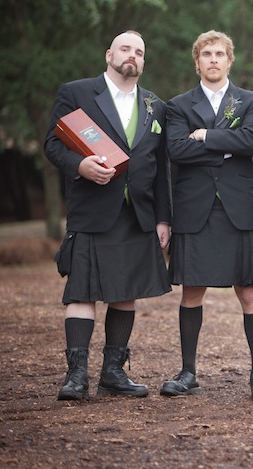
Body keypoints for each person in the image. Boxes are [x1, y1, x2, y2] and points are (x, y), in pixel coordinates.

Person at [45, 30, 171, 400]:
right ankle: (76, 376)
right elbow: (53, 143)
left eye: (139, 52)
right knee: (82, 292)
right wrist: (80, 164)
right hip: (93, 209)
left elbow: (161, 166)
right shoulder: (78, 93)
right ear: (109, 55)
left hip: (138, 213)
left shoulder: (154, 105)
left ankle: (113, 373)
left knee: (125, 292)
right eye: (125, 49)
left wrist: (164, 217)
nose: (132, 55)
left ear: (144, 62)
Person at [160, 30, 253, 401]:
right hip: (194, 211)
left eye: (219, 54)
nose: (212, 59)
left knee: (249, 292)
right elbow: (176, 150)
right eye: (206, 54)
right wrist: (223, 145)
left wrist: (203, 137)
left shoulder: (251, 102)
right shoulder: (177, 105)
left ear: (229, 60)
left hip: (238, 210)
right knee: (192, 291)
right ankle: (188, 371)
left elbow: (251, 143)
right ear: (197, 61)